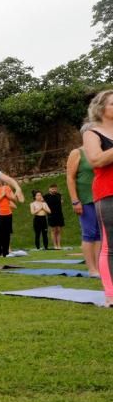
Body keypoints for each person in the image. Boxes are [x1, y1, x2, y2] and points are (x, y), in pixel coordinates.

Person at [81, 89, 113, 306]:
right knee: (110, 246)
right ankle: (111, 294)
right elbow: (96, 160)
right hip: (107, 192)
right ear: (101, 108)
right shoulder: (92, 132)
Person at [67, 144, 102, 276]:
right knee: (89, 233)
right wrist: (75, 200)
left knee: (100, 234)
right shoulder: (77, 153)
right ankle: (92, 269)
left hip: (101, 197)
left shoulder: (102, 152)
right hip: (85, 199)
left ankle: (100, 267)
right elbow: (70, 178)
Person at [0, 184, 18, 258]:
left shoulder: (7, 187)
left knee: (7, 234)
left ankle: (5, 253)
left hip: (8, 214)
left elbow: (15, 200)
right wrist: (3, 195)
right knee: (0, 234)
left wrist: (8, 196)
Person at [43, 183, 65, 249]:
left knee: (58, 230)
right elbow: (42, 204)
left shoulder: (59, 195)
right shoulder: (46, 196)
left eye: (55, 189)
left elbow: (61, 202)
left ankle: (59, 245)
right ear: (49, 189)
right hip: (51, 215)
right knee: (53, 230)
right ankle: (55, 245)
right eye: (52, 189)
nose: (54, 190)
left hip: (59, 214)